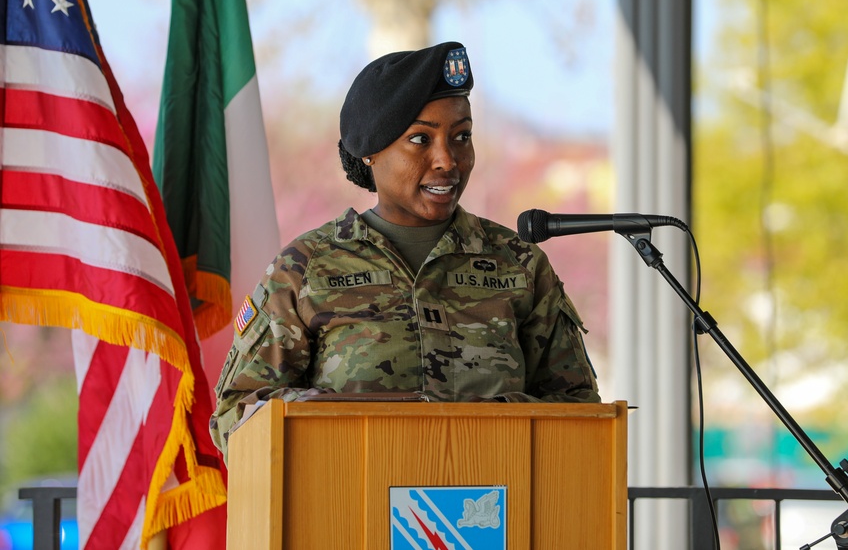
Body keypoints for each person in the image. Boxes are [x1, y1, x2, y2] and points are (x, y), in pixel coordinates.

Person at [209, 41, 600, 460]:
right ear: (370, 152)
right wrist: (326, 416)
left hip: (494, 511)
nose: (447, 160)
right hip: (346, 513)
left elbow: (580, 414)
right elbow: (236, 419)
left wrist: (491, 419)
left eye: (461, 136)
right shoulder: (305, 269)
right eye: (420, 139)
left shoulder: (519, 264)